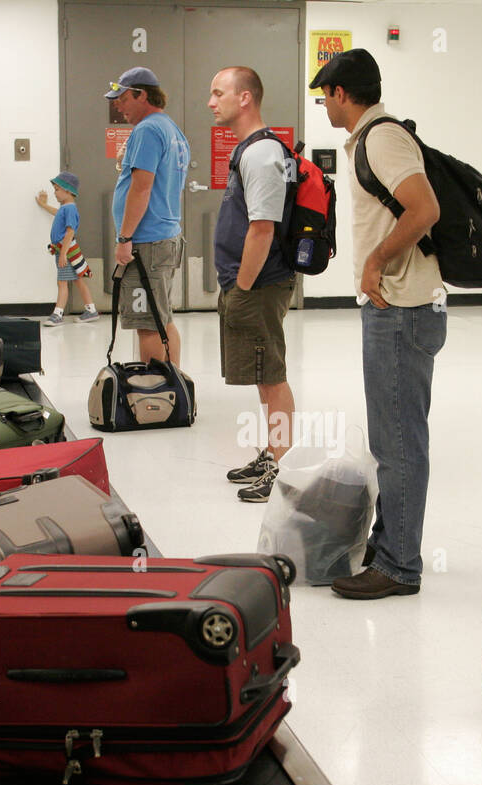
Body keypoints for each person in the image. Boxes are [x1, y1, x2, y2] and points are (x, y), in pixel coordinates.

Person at [310, 48, 444, 600]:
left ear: (344, 93)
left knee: (398, 442)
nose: (323, 105)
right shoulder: (373, 137)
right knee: (396, 436)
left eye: (325, 96)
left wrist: (374, 261)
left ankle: (398, 566)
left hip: (401, 308)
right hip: (401, 306)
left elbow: (424, 209)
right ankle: (394, 545)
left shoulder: (381, 138)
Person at [207, 66, 297, 503]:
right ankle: (271, 454)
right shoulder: (252, 150)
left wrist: (242, 286)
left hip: (258, 285)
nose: (211, 101)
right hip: (251, 283)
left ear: (245, 98)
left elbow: (262, 227)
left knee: (272, 376)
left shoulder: (261, 154)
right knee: (264, 376)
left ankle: (282, 467)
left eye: (218, 92)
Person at [105, 67, 190, 367]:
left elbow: (142, 189)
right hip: (164, 239)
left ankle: (154, 397)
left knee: (147, 323)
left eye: (123, 98)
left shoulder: (147, 130)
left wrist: (125, 238)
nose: (117, 105)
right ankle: (172, 387)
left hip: (146, 243)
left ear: (141, 95)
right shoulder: (171, 130)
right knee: (161, 317)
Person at [36, 171, 98, 326]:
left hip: (66, 251)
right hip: (67, 250)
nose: (54, 193)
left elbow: (70, 231)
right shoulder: (66, 208)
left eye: (57, 189)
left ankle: (57, 314)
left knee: (62, 282)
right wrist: (44, 205)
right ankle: (91, 310)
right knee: (77, 280)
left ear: (68, 191)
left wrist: (63, 254)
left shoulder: (69, 208)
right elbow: (57, 214)